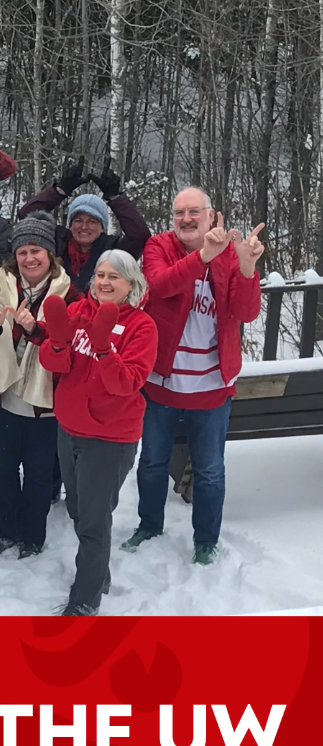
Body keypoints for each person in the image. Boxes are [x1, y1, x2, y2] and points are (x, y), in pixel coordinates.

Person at [123, 190, 264, 564]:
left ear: (210, 215)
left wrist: (247, 268)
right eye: (179, 212)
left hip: (212, 383)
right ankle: (149, 525)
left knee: (210, 470)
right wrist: (204, 255)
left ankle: (205, 541)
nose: (186, 218)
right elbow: (162, 284)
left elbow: (245, 312)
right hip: (162, 379)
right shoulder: (158, 246)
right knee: (152, 461)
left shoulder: (232, 254)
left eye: (194, 212)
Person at [39, 250, 159, 615]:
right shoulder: (78, 313)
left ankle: (84, 600)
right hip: (69, 427)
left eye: (114, 277)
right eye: (100, 275)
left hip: (110, 439)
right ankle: (98, 574)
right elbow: (53, 364)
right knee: (78, 510)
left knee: (93, 521)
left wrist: (105, 348)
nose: (104, 283)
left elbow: (128, 384)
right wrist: (58, 342)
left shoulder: (143, 327)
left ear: (131, 284)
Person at [0, 212, 79, 556]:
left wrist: (36, 330)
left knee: (38, 474)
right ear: (14, 256)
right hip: (4, 393)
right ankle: (1, 530)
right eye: (22, 251)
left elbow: (71, 342)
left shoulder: (69, 292)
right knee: (3, 469)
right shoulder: (1, 282)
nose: (29, 258)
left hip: (45, 401)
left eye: (36, 250)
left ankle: (32, 537)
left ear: (50, 254)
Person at [18, 156, 150, 289]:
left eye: (92, 221)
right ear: (70, 224)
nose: (84, 226)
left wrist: (115, 197)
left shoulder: (113, 251)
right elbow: (27, 218)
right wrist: (60, 190)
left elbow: (139, 236)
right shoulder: (56, 242)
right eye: (78, 220)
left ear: (102, 227)